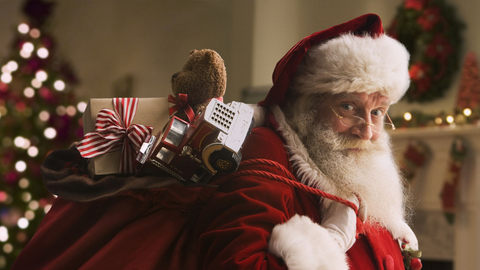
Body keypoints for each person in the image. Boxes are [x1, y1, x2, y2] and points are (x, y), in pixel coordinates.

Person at [13, 13, 420, 270]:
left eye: (378, 111)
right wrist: (319, 251)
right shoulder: (266, 156)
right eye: (349, 107)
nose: (367, 129)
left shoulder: (343, 174)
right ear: (306, 106)